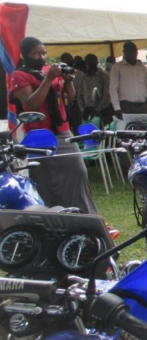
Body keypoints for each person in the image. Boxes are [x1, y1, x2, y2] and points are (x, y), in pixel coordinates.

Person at [10, 37, 97, 214]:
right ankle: (52, 219)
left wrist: (68, 81)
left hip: (63, 131)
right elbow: (31, 103)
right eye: (35, 53)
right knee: (45, 180)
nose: (41, 57)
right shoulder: (19, 75)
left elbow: (70, 98)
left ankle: (85, 216)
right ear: (25, 54)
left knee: (78, 173)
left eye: (43, 53)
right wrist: (48, 79)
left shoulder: (49, 71)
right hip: (38, 136)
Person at [109, 41, 147, 119]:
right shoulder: (117, 67)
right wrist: (117, 108)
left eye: (135, 50)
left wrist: (141, 95)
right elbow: (113, 89)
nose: (133, 52)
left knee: (143, 129)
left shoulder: (143, 68)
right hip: (126, 106)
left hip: (142, 106)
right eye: (130, 50)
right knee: (128, 130)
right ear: (124, 52)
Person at [77, 54, 112, 124]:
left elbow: (107, 96)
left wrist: (97, 109)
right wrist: (83, 109)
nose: (90, 65)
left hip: (102, 111)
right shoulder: (84, 78)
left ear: (97, 62)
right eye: (88, 63)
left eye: (92, 63)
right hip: (87, 111)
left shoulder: (104, 77)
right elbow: (79, 95)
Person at [60, 53, 84, 133]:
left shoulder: (79, 74)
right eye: (64, 60)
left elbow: (83, 90)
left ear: (72, 61)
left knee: (78, 128)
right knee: (65, 127)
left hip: (76, 103)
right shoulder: (58, 75)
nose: (66, 62)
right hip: (63, 104)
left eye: (68, 60)